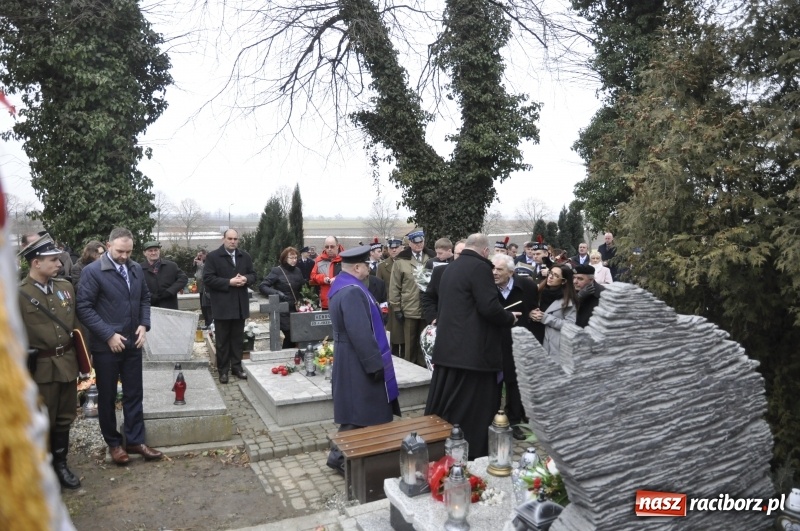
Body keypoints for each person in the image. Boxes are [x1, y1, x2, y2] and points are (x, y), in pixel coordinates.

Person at [425, 233, 519, 459]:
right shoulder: (479, 268)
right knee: (472, 413)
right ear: (485, 251)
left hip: (449, 352)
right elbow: (488, 307)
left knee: (447, 409)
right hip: (474, 358)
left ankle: (440, 452)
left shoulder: (450, 269)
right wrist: (509, 318)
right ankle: (470, 455)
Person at [76, 227, 163, 465]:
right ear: (109, 244)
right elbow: (83, 307)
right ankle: (114, 444)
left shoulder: (134, 268)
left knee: (134, 393)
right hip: (107, 347)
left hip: (133, 341)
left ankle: (135, 440)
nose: (125, 256)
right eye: (120, 251)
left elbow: (144, 298)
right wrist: (108, 335)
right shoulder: (93, 272)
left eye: (129, 251)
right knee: (107, 396)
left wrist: (144, 325)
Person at [326, 245, 400, 474]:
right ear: (357, 267)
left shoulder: (344, 286)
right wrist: (374, 364)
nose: (369, 268)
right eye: (366, 265)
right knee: (360, 410)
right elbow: (360, 333)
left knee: (358, 410)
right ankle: (340, 456)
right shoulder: (352, 291)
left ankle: (347, 454)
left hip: (349, 356)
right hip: (356, 359)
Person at [18, 233, 83, 488]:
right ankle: (41, 469)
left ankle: (61, 464)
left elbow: (75, 325)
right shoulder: (18, 295)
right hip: (40, 370)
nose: (59, 264)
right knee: (42, 419)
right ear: (36, 262)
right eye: (53, 260)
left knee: (65, 417)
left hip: (67, 363)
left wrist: (83, 360)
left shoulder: (65, 288)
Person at [492, 253, 538, 440]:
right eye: (493, 268)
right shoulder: (486, 286)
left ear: (510, 272)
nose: (494, 273)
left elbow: (532, 309)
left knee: (515, 383)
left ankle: (515, 420)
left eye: (499, 269)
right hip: (493, 340)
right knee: (493, 382)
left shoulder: (527, 286)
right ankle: (491, 418)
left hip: (516, 340)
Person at [203, 229, 256, 383]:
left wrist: (246, 279)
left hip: (239, 305)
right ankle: (223, 370)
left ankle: (237, 367)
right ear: (223, 239)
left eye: (235, 239)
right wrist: (229, 282)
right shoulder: (213, 257)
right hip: (222, 305)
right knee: (222, 341)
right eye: (230, 238)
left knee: (238, 339)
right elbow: (208, 279)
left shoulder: (244, 256)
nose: (233, 241)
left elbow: (254, 275)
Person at [389, 229, 435, 367]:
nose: (419, 245)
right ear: (410, 243)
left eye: (421, 242)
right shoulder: (401, 261)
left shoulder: (431, 257)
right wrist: (396, 307)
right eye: (416, 243)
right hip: (409, 307)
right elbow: (394, 286)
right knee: (409, 344)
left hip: (428, 308)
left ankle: (424, 369)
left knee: (425, 342)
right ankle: (411, 369)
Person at [258, 247, 305, 348]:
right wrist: (277, 293)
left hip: (296, 308)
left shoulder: (298, 271)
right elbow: (263, 286)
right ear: (285, 258)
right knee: (290, 335)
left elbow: (302, 287)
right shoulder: (277, 271)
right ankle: (286, 355)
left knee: (296, 336)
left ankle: (290, 356)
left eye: (296, 257)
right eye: (291, 258)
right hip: (283, 309)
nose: (294, 260)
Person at [530, 264, 577, 360]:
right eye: (550, 273)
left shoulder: (568, 300)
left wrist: (545, 318)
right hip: (535, 338)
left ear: (563, 281)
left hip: (554, 345)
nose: (550, 277)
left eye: (556, 275)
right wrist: (530, 314)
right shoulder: (537, 292)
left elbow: (570, 326)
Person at [421, 240, 465, 325]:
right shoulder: (435, 267)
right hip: (443, 318)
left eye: (440, 253)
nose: (437, 256)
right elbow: (427, 294)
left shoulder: (478, 271)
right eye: (457, 254)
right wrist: (433, 317)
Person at [140, 241, 188, 310]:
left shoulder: (171, 266)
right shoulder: (139, 268)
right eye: (150, 251)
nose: (153, 253)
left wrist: (170, 291)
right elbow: (136, 286)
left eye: (156, 250)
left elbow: (183, 278)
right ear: (144, 253)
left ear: (159, 251)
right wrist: (149, 296)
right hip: (148, 307)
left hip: (169, 306)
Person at [377, 237, 404, 356]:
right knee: (393, 336)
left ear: (402, 248)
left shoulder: (406, 262)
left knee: (406, 337)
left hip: (406, 304)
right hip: (390, 306)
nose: (394, 250)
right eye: (391, 248)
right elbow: (379, 288)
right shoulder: (382, 266)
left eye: (396, 248)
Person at [310, 236, 343, 310]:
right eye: (327, 247)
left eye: (332, 247)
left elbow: (351, 275)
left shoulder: (345, 259)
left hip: (342, 300)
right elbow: (313, 275)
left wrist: (337, 279)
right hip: (326, 301)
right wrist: (323, 279)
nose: (329, 249)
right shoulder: (319, 260)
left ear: (337, 246)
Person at [573, 263, 606, 328]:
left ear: (591, 280)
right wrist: (578, 297)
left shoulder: (603, 294)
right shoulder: (570, 290)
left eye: (580, 279)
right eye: (574, 278)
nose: (575, 281)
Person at [193, 249, 213, 327]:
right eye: (198, 256)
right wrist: (195, 263)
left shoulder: (209, 262)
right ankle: (207, 323)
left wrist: (201, 265)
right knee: (203, 306)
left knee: (208, 307)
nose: (199, 257)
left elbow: (207, 273)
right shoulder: (200, 263)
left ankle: (210, 324)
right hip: (201, 288)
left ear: (205, 255)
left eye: (201, 255)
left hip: (207, 288)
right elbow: (196, 274)